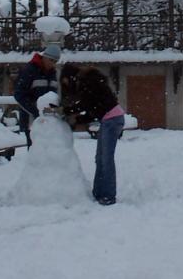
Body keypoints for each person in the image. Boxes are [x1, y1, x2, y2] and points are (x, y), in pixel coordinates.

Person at [60, 64, 125, 206]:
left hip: (112, 119)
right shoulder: (90, 81)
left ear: (71, 77)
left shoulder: (88, 82)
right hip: (108, 119)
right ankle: (99, 192)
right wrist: (77, 119)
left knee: (106, 159)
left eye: (66, 81)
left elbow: (86, 105)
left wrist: (66, 112)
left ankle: (108, 195)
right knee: (100, 158)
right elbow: (93, 109)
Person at [13, 44, 61, 147]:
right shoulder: (29, 71)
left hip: (49, 120)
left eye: (55, 61)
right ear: (44, 57)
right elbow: (19, 94)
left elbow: (55, 96)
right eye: (51, 60)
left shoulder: (54, 74)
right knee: (35, 151)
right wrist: (36, 111)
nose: (52, 64)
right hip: (31, 119)